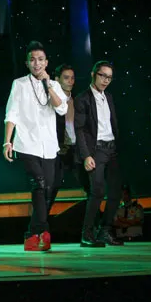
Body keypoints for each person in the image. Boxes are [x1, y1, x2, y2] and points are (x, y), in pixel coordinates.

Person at [3, 41, 68, 251]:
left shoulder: (54, 85)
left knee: (47, 189)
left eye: (40, 60)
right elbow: (11, 114)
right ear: (27, 63)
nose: (36, 63)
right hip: (26, 143)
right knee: (39, 184)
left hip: (49, 146)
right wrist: (7, 141)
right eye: (32, 60)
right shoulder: (19, 84)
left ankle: (31, 234)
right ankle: (44, 232)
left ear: (46, 62)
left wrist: (49, 85)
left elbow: (61, 109)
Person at [75, 60, 124, 247]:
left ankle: (105, 230)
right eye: (103, 76)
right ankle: (86, 234)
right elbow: (79, 129)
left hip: (111, 148)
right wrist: (86, 155)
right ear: (93, 74)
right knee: (97, 192)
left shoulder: (108, 97)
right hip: (96, 150)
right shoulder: (83, 98)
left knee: (116, 191)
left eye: (109, 78)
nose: (106, 80)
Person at [51, 64, 91, 209]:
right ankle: (41, 222)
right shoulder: (50, 102)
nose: (70, 81)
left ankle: (94, 219)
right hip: (59, 150)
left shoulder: (77, 101)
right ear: (57, 80)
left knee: (90, 187)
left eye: (72, 78)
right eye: (66, 78)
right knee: (51, 188)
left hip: (77, 149)